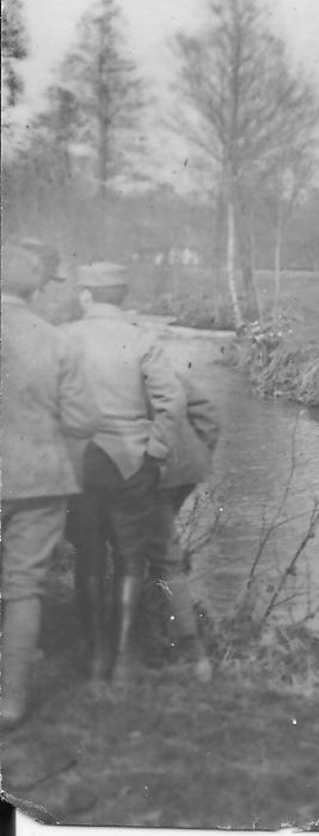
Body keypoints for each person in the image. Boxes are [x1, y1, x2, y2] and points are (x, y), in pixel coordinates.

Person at [62, 262, 186, 683]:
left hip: (79, 460)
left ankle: (96, 656)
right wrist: (156, 452)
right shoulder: (141, 338)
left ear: (86, 295)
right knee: (131, 556)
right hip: (132, 460)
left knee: (88, 557)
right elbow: (172, 402)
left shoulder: (64, 337)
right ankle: (121, 659)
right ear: (123, 296)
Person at [0, 244, 103, 729]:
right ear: (38, 288)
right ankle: (11, 702)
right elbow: (84, 420)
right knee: (23, 587)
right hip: (39, 476)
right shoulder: (58, 341)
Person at [151, 372, 221, 682]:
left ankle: (191, 654)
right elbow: (208, 417)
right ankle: (160, 628)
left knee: (160, 552)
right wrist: (198, 452)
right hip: (186, 467)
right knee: (159, 546)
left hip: (149, 472)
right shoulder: (165, 369)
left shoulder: (106, 369)